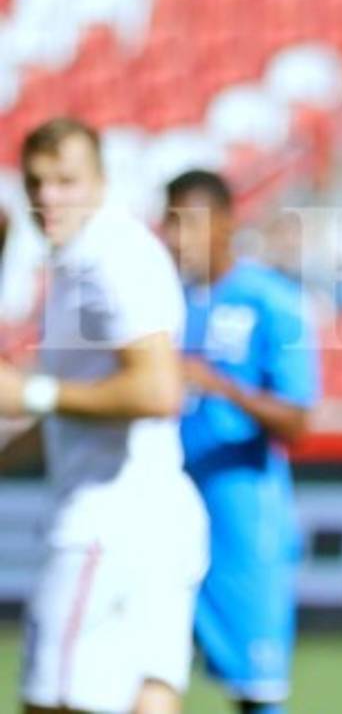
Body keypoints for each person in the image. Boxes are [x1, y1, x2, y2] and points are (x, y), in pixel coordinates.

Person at [0, 117, 207, 714]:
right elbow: (76, 407)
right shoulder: (87, 259)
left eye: (66, 180)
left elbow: (157, 391)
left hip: (105, 526)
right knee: (148, 702)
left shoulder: (106, 257)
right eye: (36, 182)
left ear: (101, 181)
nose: (48, 197)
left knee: (52, 703)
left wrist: (32, 393)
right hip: (151, 517)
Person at [162, 169, 320, 714]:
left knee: (257, 692)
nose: (177, 238)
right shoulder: (166, 302)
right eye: (171, 223)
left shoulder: (271, 300)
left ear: (226, 224)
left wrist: (220, 386)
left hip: (243, 521)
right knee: (143, 677)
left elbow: (298, 422)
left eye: (189, 223)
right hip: (167, 515)